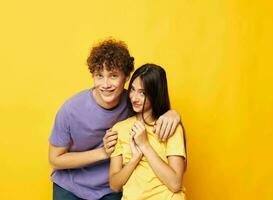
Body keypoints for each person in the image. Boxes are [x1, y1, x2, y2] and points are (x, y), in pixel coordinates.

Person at [48, 39, 181, 200]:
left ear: (126, 77)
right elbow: (55, 159)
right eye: (99, 76)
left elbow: (153, 105)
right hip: (71, 186)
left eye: (113, 76)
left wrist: (172, 114)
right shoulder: (70, 110)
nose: (105, 84)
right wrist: (103, 152)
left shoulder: (133, 101)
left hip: (111, 189)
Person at [109, 64, 186, 200]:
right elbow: (114, 185)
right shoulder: (119, 129)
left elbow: (175, 184)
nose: (134, 97)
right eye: (132, 89)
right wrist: (134, 159)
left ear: (156, 94)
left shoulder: (170, 127)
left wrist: (144, 145)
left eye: (143, 93)